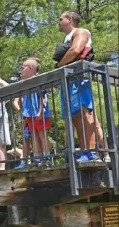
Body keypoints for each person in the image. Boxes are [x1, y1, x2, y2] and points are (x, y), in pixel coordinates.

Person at [54, 10, 110, 163]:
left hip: (80, 77)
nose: (59, 22)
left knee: (85, 112)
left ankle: (91, 152)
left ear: (70, 19)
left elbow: (76, 49)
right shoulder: (67, 37)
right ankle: (86, 151)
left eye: (61, 19)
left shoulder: (81, 31)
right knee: (76, 115)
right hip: (71, 78)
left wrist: (59, 65)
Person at [12, 58, 52, 168]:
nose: (21, 69)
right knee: (34, 135)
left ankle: (47, 157)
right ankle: (38, 158)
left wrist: (40, 111)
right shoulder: (25, 83)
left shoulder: (39, 79)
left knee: (42, 134)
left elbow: (43, 97)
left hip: (38, 113)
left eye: (23, 67)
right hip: (29, 114)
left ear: (31, 69)